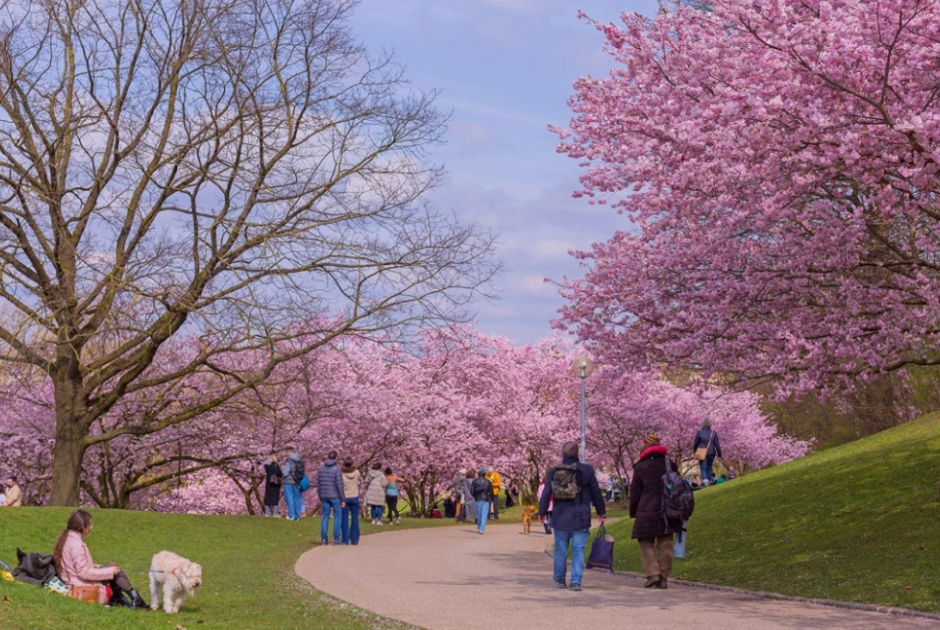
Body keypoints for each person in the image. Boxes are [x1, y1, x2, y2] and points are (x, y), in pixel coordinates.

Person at [538, 441, 606, 591]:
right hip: (580, 516)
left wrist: (542, 512)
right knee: (578, 550)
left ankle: (560, 579)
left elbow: (547, 492)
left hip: (560, 516)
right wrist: (601, 512)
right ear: (577, 453)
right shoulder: (587, 470)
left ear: (562, 454)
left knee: (561, 550)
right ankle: (575, 581)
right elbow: (596, 492)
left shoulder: (554, 470)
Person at [53, 509, 148, 608]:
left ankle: (122, 597)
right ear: (83, 526)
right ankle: (133, 599)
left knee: (112, 566)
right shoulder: (76, 544)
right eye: (89, 524)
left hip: (76, 584)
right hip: (82, 589)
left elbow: (74, 566)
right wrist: (109, 572)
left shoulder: (68, 539)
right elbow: (84, 573)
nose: (91, 528)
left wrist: (96, 566)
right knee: (113, 569)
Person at [630, 434, 680, 589]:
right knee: (665, 543)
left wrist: (633, 512)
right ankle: (664, 577)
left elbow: (635, 493)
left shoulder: (640, 467)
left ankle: (653, 573)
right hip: (668, 509)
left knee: (645, 542)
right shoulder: (670, 464)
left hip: (646, 510)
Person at [317, 450, 345, 545]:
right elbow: (339, 485)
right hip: (335, 495)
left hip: (324, 495)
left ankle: (324, 539)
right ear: (336, 458)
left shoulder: (321, 469)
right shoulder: (337, 469)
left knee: (325, 517)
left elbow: (319, 484)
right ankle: (336, 539)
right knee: (337, 516)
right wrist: (343, 499)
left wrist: (320, 495)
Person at [692, 417, 723, 485]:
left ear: (703, 424)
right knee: (709, 467)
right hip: (712, 452)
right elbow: (717, 444)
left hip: (702, 451)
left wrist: (695, 451)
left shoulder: (699, 432)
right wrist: (720, 455)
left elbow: (696, 443)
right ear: (710, 424)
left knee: (703, 467)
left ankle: (705, 482)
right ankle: (709, 480)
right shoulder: (713, 433)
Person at [340, 458, 361, 545]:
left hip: (345, 498)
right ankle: (355, 539)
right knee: (355, 518)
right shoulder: (357, 473)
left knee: (344, 519)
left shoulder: (341, 474)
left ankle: (345, 540)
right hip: (355, 497)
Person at [281, 449, 305, 521]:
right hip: (297, 481)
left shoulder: (289, 461)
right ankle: (298, 516)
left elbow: (285, 473)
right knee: (296, 499)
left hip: (288, 482)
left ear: (288, 452)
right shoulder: (299, 460)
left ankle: (291, 515)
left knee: (290, 498)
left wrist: (282, 468)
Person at [471, 467, 493, 534]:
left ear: (478, 474)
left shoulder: (474, 481)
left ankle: (479, 527)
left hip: (477, 499)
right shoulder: (488, 481)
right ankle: (481, 528)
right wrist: (490, 497)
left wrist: (475, 496)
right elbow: (491, 491)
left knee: (479, 514)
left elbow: (471, 491)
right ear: (485, 474)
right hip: (485, 499)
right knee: (484, 514)